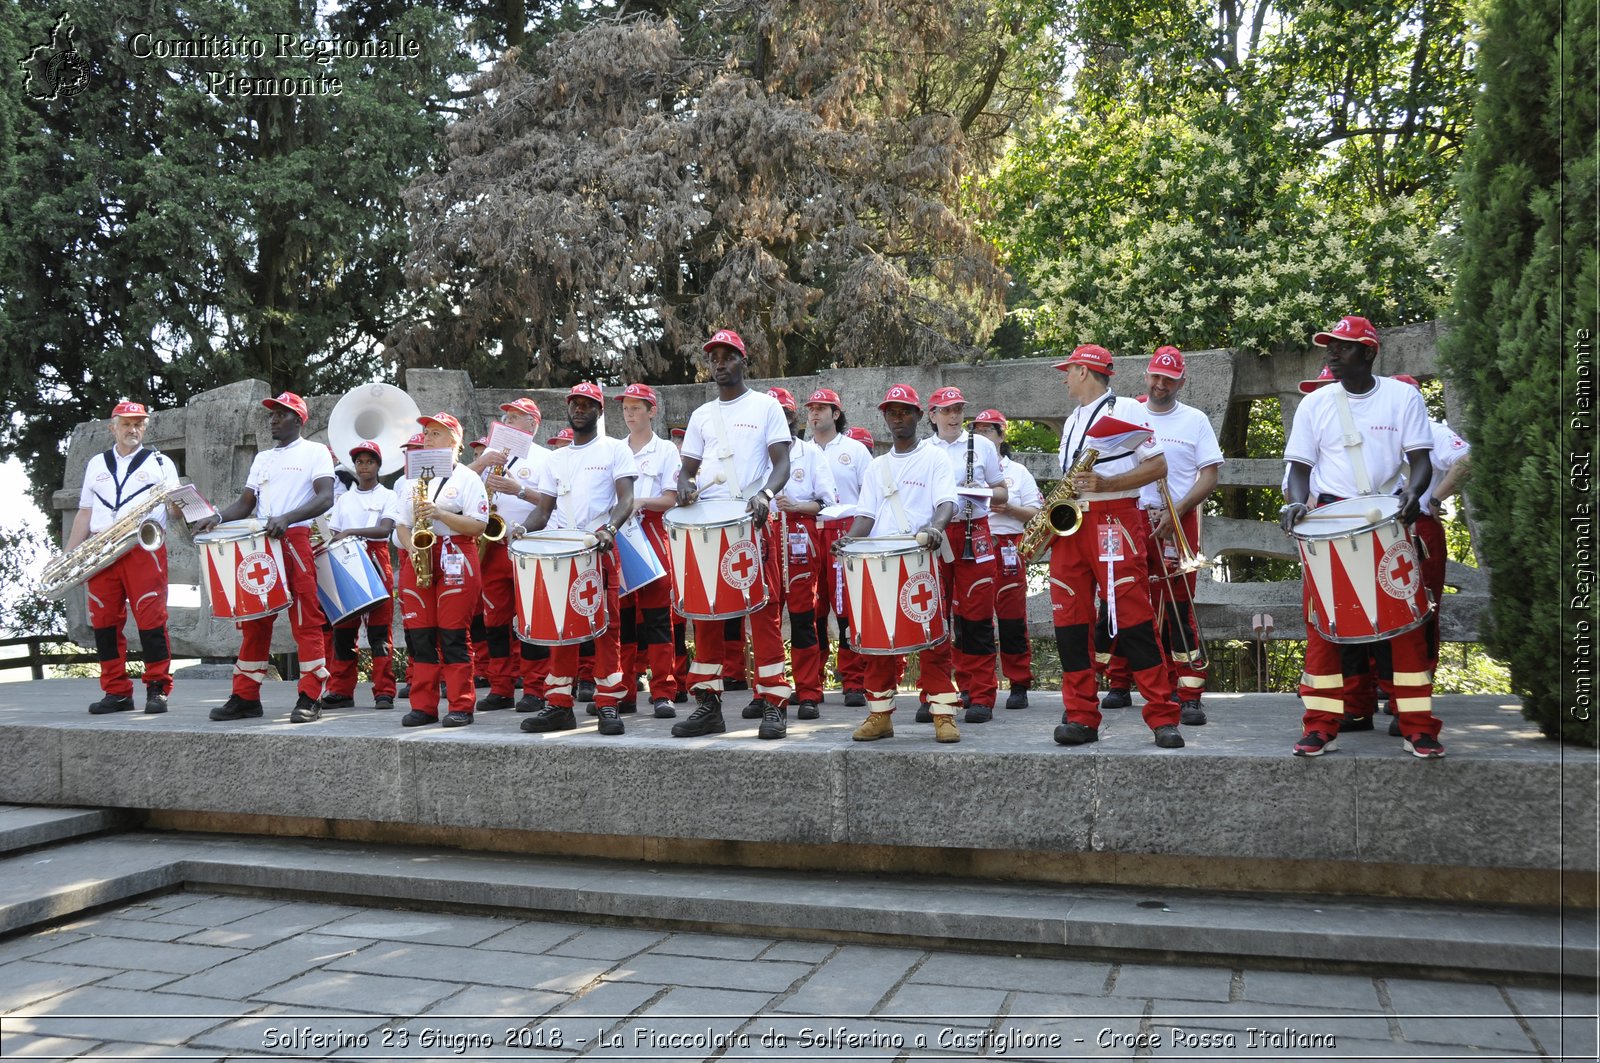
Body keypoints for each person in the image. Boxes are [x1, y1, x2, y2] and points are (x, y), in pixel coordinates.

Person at [1280, 314, 1444, 759]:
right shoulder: (1314, 405)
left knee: (1405, 626)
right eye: (1330, 346)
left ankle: (1419, 727)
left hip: (1388, 518)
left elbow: (1421, 460)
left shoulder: (1402, 397)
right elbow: (1299, 469)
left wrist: (1413, 492)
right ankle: (1318, 726)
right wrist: (1298, 504)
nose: (1332, 354)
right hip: (1330, 520)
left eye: (1343, 347)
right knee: (1325, 629)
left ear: (1370, 352)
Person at [1048, 345, 1185, 749]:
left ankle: (1162, 716)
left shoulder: (1126, 408)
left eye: (1069, 370)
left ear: (1085, 372)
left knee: (1133, 617)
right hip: (1072, 523)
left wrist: (1107, 484)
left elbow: (1158, 466)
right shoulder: (1074, 419)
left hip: (1114, 519)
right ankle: (1080, 716)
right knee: (1069, 621)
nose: (1065, 376)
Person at [671, 328, 793, 740]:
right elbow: (686, 468)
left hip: (753, 520)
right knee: (704, 614)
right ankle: (708, 704)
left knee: (763, 611)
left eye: (728, 355)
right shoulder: (702, 415)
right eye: (714, 357)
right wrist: (685, 483)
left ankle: (774, 704)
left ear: (744, 360)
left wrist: (766, 494)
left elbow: (782, 464)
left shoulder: (766, 407)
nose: (720, 362)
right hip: (709, 524)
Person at [1097, 347, 1223, 726]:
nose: (1160, 384)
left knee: (1178, 607)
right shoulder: (1125, 415)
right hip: (1129, 518)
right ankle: (1120, 682)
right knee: (1123, 599)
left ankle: (1187, 691)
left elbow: (1210, 474)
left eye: (1169, 379)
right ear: (1146, 375)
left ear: (1181, 381)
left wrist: (1178, 509)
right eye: (1155, 376)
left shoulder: (1195, 420)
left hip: (1177, 517)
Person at [833, 384, 960, 743]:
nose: (898, 417)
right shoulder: (877, 466)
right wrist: (849, 540)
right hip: (879, 561)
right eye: (892, 412)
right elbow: (866, 516)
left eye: (905, 411)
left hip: (921, 557)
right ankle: (880, 715)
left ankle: (944, 714)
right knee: (877, 642)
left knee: (933, 639)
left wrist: (935, 528)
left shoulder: (935, 458)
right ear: (885, 418)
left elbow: (946, 503)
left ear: (920, 416)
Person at [201, 392, 336, 724]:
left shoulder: (315, 452)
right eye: (272, 414)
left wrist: (288, 518)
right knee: (254, 619)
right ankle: (246, 697)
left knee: (306, 619)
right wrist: (217, 518)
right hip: (260, 543)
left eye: (282, 414)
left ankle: (310, 696)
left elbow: (326, 497)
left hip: (295, 539)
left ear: (299, 420)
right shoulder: (262, 458)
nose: (273, 419)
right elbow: (246, 505)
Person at [518, 383, 638, 736]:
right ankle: (558, 705)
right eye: (574, 404)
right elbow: (543, 510)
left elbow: (626, 500)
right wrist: (522, 531)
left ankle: (607, 704)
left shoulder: (616, 450)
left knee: (606, 629)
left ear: (599, 412)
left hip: (598, 549)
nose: (579, 409)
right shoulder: (555, 459)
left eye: (587, 404)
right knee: (560, 628)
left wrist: (609, 531)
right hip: (561, 551)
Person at [66, 400, 182, 715]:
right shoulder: (96, 464)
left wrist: (184, 505)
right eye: (127, 424)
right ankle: (116, 691)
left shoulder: (160, 463)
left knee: (151, 618)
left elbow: (173, 509)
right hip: (102, 549)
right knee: (103, 622)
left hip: (143, 549)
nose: (133, 429)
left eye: (139, 424)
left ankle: (157, 687)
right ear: (112, 427)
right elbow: (86, 512)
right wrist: (69, 554)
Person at [392, 412, 489, 728]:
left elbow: (478, 524)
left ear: (454, 440)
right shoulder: (410, 478)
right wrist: (412, 549)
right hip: (418, 556)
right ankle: (424, 707)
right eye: (427, 432)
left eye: (436, 433)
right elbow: (402, 524)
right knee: (420, 637)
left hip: (456, 553)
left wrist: (440, 514)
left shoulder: (467, 478)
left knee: (452, 635)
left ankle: (461, 705)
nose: (428, 438)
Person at [923, 386, 1008, 723]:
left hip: (975, 530)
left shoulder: (983, 445)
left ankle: (981, 693)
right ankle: (936, 691)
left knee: (976, 616)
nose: (954, 416)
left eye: (958, 409)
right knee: (932, 613)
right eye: (946, 410)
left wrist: (980, 492)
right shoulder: (922, 450)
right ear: (932, 415)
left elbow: (1002, 492)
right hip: (935, 534)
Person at [469, 397, 550, 714]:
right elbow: (459, 489)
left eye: (516, 418)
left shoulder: (545, 458)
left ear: (532, 424)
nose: (508, 422)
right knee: (495, 622)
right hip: (493, 547)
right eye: (506, 417)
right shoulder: (492, 457)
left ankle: (535, 688)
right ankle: (501, 687)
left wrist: (518, 489)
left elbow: (550, 501)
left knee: (530, 621)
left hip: (528, 545)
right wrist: (480, 466)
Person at [762, 386, 838, 721]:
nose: (780, 419)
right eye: (773, 414)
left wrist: (796, 505)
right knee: (766, 618)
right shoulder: (755, 452)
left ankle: (808, 691)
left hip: (799, 534)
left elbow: (826, 501)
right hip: (763, 532)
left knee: (804, 618)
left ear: (793, 418)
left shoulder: (809, 453)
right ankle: (767, 690)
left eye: (785, 413)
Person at [805, 387, 874, 707]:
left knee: (847, 609)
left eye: (822, 408)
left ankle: (854, 681)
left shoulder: (855, 451)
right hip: (807, 531)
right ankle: (810, 682)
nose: (815, 413)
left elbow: (872, 497)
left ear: (836, 413)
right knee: (810, 609)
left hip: (845, 532)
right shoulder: (801, 452)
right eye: (811, 408)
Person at [971, 409, 1043, 711]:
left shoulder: (1018, 472)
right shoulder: (965, 468)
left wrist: (1010, 509)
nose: (981, 436)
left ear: (1002, 435)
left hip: (1008, 546)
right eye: (977, 430)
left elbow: (1037, 512)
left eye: (988, 430)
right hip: (975, 543)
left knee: (1012, 618)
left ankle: (1018, 682)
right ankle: (974, 684)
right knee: (974, 618)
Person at [618, 381, 681, 718]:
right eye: (626, 408)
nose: (629, 414)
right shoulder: (615, 448)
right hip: (621, 534)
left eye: (636, 408)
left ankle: (663, 692)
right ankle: (625, 691)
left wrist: (640, 500)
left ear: (651, 411)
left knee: (657, 619)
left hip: (652, 530)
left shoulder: (666, 450)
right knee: (624, 619)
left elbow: (671, 498)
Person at [320, 441, 398, 711]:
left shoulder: (388, 495)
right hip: (346, 559)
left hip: (376, 558)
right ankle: (341, 690)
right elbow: (334, 534)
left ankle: (384, 691)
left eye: (370, 461)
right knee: (343, 630)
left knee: (379, 632)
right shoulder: (344, 499)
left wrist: (352, 532)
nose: (364, 466)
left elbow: (385, 530)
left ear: (378, 465)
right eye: (360, 462)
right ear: (354, 466)